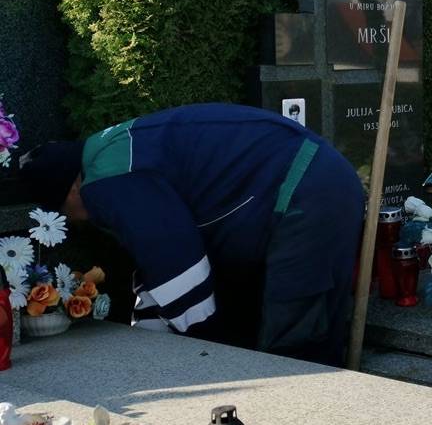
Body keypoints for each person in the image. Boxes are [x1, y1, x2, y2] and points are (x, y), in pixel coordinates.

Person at [16, 103, 364, 366]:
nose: (76, 220)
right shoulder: (114, 151)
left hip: (305, 193)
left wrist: (205, 352)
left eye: (65, 213)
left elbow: (175, 261)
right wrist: (150, 339)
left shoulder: (105, 182)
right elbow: (156, 261)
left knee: (293, 346)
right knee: (317, 338)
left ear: (70, 190)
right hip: (317, 182)